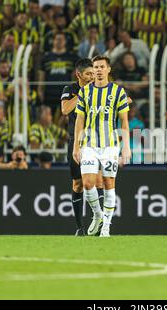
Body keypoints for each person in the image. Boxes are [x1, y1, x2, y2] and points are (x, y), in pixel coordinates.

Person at [73, 55, 131, 237]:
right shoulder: (85, 92)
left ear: (108, 70)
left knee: (108, 184)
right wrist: (76, 145)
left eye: (101, 67)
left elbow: (124, 122)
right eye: (95, 67)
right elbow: (80, 119)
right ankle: (98, 215)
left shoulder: (118, 92)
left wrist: (126, 147)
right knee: (88, 183)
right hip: (89, 144)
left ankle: (106, 225)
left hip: (110, 146)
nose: (98, 70)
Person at [61, 58, 104, 236]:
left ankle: (101, 223)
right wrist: (83, 93)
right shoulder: (70, 90)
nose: (92, 77)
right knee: (77, 184)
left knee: (99, 180)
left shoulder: (99, 89)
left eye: (93, 74)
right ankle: (80, 228)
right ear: (79, 74)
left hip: (95, 140)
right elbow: (65, 110)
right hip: (77, 141)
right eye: (88, 74)